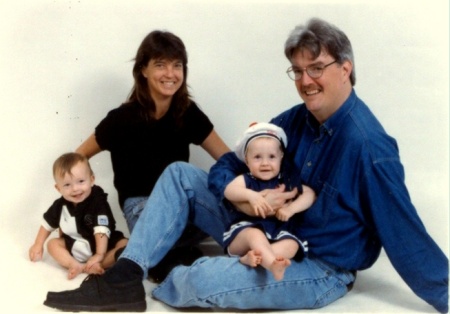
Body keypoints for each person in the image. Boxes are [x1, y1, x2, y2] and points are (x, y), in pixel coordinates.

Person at [43, 18, 448, 313]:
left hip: (315, 264)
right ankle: (126, 277)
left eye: (317, 68)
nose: (306, 80)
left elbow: (406, 234)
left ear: (347, 69)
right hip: (260, 225)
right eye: (298, 70)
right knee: (180, 174)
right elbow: (234, 161)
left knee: (198, 279)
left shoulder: (368, 146)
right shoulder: (298, 118)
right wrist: (239, 190)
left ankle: (173, 268)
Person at [74, 30, 230, 281]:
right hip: (143, 211)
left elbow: (226, 159)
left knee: (229, 203)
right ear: (143, 70)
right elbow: (76, 160)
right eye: (160, 65)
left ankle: (258, 249)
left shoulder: (186, 113)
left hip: (185, 213)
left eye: (177, 65)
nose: (170, 74)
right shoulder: (121, 119)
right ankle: (155, 255)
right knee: (169, 261)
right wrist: (84, 205)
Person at [223, 122, 315, 281]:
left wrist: (291, 209)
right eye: (257, 157)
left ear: (281, 158)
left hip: (277, 233)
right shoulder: (246, 180)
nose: (265, 163)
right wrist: (251, 196)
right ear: (247, 160)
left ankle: (251, 259)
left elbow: (309, 194)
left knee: (292, 245)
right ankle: (272, 263)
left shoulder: (286, 181)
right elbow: (229, 191)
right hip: (245, 234)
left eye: (271, 157)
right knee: (255, 234)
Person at [29, 152, 128, 279]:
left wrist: (99, 254)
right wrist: (38, 244)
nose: (75, 188)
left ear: (91, 180)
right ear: (58, 188)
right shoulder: (60, 205)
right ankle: (74, 264)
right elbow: (47, 224)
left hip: (103, 244)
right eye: (67, 185)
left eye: (81, 181)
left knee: (125, 245)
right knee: (52, 244)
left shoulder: (98, 201)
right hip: (74, 244)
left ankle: (99, 264)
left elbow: (101, 230)